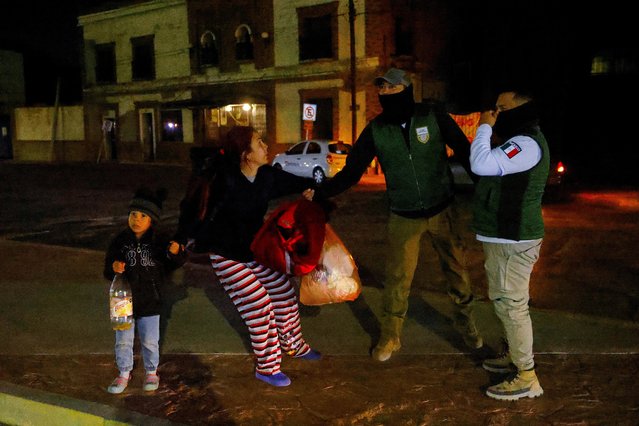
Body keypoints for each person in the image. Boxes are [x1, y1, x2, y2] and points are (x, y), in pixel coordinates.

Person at [317, 67, 482, 362]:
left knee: (457, 270)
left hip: (443, 208)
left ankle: (465, 322)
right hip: (404, 216)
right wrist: (321, 191)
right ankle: (391, 335)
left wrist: (485, 188)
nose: (386, 94)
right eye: (381, 90)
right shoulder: (376, 129)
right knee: (397, 279)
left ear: (406, 89)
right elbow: (353, 171)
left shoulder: (432, 116)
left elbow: (464, 150)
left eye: (392, 88)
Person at [175, 126, 321, 387]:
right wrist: (180, 239)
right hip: (226, 255)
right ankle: (267, 367)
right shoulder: (224, 180)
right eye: (259, 143)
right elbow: (193, 207)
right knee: (259, 304)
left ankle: (294, 344)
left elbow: (296, 181)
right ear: (245, 154)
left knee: (284, 292)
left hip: (255, 251)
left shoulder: (266, 176)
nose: (266, 146)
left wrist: (313, 188)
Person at [469, 89, 549, 400]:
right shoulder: (519, 139)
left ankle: (527, 376)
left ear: (522, 107)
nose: (496, 112)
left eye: (503, 108)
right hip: (504, 236)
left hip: (512, 238)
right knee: (504, 303)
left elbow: (480, 164)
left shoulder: (525, 143)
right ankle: (513, 357)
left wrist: (484, 126)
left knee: (512, 306)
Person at [103, 187, 187, 394]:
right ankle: (124, 373)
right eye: (133, 214)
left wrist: (175, 253)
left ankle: (151, 371)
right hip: (123, 300)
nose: (137, 220)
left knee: (150, 340)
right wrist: (113, 268)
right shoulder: (120, 241)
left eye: (143, 216)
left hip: (151, 301)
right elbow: (107, 269)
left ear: (152, 220)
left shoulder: (159, 241)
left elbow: (173, 263)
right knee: (123, 340)